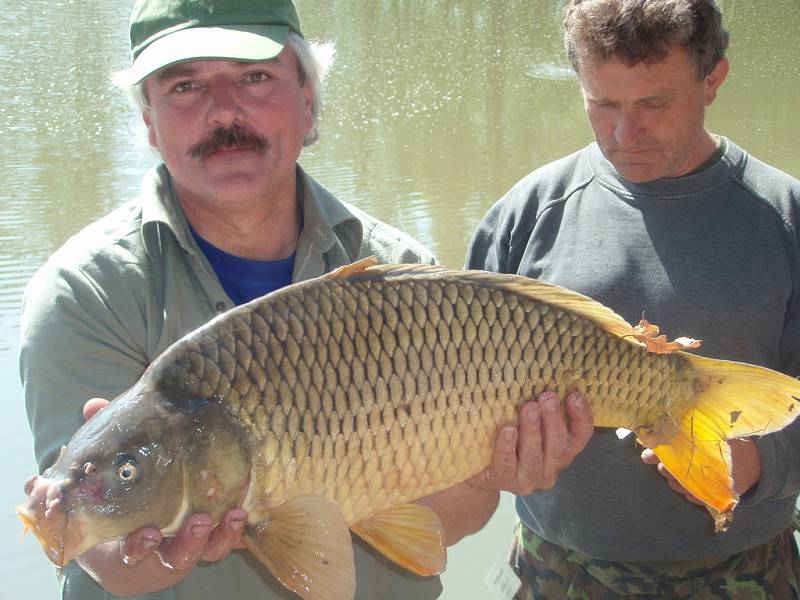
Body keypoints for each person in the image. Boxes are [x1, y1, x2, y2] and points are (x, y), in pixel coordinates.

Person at [19, 1, 594, 599]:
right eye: (185, 85)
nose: (223, 110)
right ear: (148, 120)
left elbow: (445, 525)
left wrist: (490, 474)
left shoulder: (405, 278)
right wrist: (152, 551)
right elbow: (100, 554)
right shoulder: (84, 293)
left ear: (309, 101)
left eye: (255, 77)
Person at [466, 0, 800, 597]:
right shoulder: (525, 215)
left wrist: (756, 465)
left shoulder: (784, 220)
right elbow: (453, 393)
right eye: (603, 104)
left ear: (713, 79)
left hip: (743, 572)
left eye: (655, 104)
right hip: (557, 568)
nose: (626, 134)